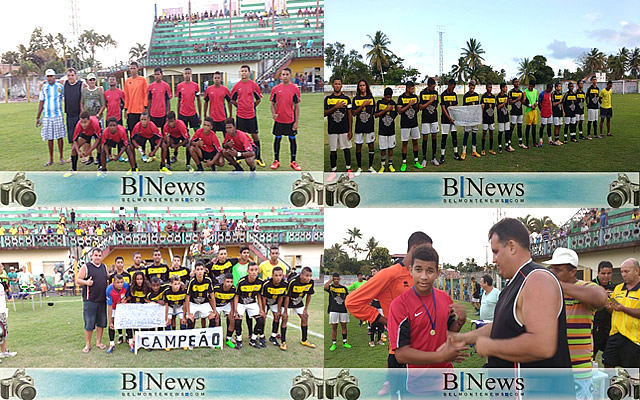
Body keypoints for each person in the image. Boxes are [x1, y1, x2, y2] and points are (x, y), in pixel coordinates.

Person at [457, 218, 571, 368]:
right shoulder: (515, 282)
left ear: (511, 247)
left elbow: (542, 346)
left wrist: (491, 346)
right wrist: (463, 338)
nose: (493, 260)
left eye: (496, 252)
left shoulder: (537, 279)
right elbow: (502, 326)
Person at [345, 232, 434, 396]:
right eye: (426, 250)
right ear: (414, 249)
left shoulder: (422, 275)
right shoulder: (390, 274)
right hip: (402, 353)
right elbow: (353, 301)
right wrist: (385, 320)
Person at [388, 245, 467, 397]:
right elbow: (401, 355)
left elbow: (448, 332)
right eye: (418, 269)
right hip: (417, 387)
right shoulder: (399, 305)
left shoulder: (444, 298)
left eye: (430, 271)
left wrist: (460, 322)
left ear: (437, 273)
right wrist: (442, 356)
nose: (424, 276)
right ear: (410, 270)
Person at [545, 248, 607, 398]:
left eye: (558, 270)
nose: (553, 273)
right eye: (552, 270)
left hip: (578, 368)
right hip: (553, 364)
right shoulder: (549, 290)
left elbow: (600, 298)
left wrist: (558, 285)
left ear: (572, 272)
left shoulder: (586, 288)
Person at [603, 258, 640, 368]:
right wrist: (608, 306)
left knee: (631, 373)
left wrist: (623, 308)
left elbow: (621, 308)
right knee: (607, 365)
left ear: (636, 271)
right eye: (622, 272)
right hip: (614, 335)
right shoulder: (618, 288)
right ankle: (610, 386)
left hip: (633, 339)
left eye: (626, 271)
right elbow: (613, 310)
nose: (623, 275)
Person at [76, 247, 109, 353]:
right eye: (96, 255)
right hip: (90, 300)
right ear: (92, 256)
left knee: (101, 323)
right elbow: (78, 280)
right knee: (89, 323)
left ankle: (98, 342)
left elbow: (108, 279)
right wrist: (86, 283)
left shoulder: (104, 267)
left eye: (100, 256)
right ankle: (88, 345)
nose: (98, 257)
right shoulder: (86, 267)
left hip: (102, 300)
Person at [269, 67, 302, 171]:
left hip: (290, 120)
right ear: (280, 76)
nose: (285, 76)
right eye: (283, 74)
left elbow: (297, 106)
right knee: (277, 140)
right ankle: (276, 160)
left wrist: (296, 122)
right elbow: (272, 104)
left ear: (290, 76)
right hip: (279, 121)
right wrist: (274, 114)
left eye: (287, 74)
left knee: (292, 141)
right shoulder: (275, 89)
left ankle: (293, 161)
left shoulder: (295, 89)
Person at [231, 65, 264, 166]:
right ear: (240, 73)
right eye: (242, 71)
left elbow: (258, 99)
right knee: (239, 137)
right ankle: (238, 157)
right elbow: (232, 100)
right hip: (240, 116)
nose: (243, 73)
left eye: (245, 71)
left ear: (249, 73)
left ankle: (258, 158)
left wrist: (252, 107)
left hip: (251, 116)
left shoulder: (253, 85)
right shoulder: (237, 86)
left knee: (255, 136)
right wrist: (239, 106)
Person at [36, 69, 66, 167]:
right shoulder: (44, 88)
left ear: (55, 76)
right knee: (50, 138)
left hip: (58, 115)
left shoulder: (60, 87)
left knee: (60, 137)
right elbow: (41, 102)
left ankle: (61, 157)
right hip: (47, 116)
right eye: (48, 76)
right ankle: (51, 159)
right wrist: (38, 116)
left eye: (51, 76)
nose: (50, 78)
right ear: (46, 77)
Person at [324, 77, 353, 179]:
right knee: (333, 151)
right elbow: (324, 113)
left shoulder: (346, 99)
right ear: (332, 85)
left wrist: (350, 130)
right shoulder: (328, 99)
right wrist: (335, 107)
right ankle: (333, 171)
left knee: (346, 149)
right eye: (335, 84)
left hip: (344, 129)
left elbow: (350, 114)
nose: (337, 85)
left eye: (339, 84)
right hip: (332, 129)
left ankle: (348, 170)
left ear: (341, 85)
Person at [233, 262, 265, 349]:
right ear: (247, 271)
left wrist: (261, 309)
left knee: (261, 320)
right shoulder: (242, 282)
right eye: (251, 270)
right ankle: (239, 340)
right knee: (238, 320)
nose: (254, 272)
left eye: (255, 270)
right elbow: (236, 296)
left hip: (252, 303)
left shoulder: (260, 282)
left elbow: (259, 296)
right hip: (241, 303)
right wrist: (235, 310)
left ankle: (253, 340)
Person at [284, 266, 315, 348]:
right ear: (301, 275)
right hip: (288, 301)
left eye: (310, 276)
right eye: (307, 276)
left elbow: (309, 295)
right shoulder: (293, 282)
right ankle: (283, 342)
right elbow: (287, 296)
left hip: (298, 302)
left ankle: (304, 340)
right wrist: (285, 311)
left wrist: (306, 309)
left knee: (305, 317)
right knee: (285, 319)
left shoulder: (311, 282)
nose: (308, 278)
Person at [64, 111, 102, 177]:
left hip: (94, 131)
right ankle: (73, 169)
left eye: (85, 122)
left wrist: (89, 151)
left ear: (89, 120)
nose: (83, 124)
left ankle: (100, 167)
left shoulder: (95, 123)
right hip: (86, 133)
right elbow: (75, 140)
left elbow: (98, 139)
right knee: (73, 150)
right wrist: (78, 152)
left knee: (99, 147)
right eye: (81, 122)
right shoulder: (78, 125)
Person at [351, 79, 376, 174]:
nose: (362, 87)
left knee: (371, 145)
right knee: (358, 146)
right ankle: (359, 167)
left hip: (369, 125)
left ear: (366, 87)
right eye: (360, 85)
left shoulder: (371, 98)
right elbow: (353, 113)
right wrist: (362, 106)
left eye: (364, 85)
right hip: (359, 126)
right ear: (358, 87)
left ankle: (370, 166)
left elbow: (372, 112)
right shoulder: (356, 99)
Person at [397, 81, 422, 171]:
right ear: (407, 89)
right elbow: (399, 111)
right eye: (412, 89)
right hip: (405, 125)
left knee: (415, 142)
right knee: (405, 143)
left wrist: (415, 107)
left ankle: (416, 161)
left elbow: (417, 109)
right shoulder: (401, 98)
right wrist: (409, 105)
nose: (413, 90)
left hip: (414, 124)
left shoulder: (415, 97)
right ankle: (404, 163)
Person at [261, 266, 288, 349]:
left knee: (277, 316)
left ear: (282, 275)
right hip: (265, 302)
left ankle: (273, 336)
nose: (278, 277)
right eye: (276, 275)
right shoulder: (266, 284)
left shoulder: (284, 284)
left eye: (280, 275)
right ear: (272, 275)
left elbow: (281, 297)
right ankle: (262, 336)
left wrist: (279, 310)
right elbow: (263, 298)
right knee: (262, 317)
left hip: (275, 302)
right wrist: (263, 310)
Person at [185, 261, 216, 330]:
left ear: (204, 270)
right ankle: (190, 337)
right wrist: (188, 312)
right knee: (190, 320)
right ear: (195, 271)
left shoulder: (208, 280)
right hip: (193, 303)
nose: (200, 272)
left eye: (201, 269)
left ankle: (209, 337)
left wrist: (214, 310)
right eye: (198, 269)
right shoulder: (192, 281)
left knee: (212, 318)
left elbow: (212, 296)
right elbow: (187, 298)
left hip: (204, 303)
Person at [105, 274, 132, 354]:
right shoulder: (109, 289)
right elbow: (109, 306)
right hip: (113, 307)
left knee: (128, 322)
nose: (120, 284)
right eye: (118, 282)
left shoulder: (126, 286)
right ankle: (112, 344)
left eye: (121, 282)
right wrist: (110, 321)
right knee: (112, 325)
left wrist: (125, 299)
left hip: (123, 306)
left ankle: (131, 342)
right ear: (114, 283)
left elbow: (129, 297)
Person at [325, 272, 351, 351]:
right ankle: (334, 343)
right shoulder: (330, 287)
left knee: (344, 326)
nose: (336, 280)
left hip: (343, 310)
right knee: (334, 327)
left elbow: (347, 298)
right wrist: (330, 280)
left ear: (339, 279)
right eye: (334, 279)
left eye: (337, 279)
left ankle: (345, 342)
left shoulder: (343, 288)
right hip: (333, 310)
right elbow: (325, 287)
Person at [176, 67, 202, 145]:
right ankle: (176, 153)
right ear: (183, 75)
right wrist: (178, 115)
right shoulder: (180, 86)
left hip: (192, 113)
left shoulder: (196, 86)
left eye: (189, 73)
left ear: (191, 74)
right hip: (182, 114)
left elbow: (198, 101)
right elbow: (178, 101)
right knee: (181, 134)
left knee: (198, 133)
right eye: (186, 73)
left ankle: (201, 149)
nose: (187, 75)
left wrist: (200, 115)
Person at [418, 77, 440, 167]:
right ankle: (424, 159)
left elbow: (436, 104)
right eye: (433, 87)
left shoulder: (435, 93)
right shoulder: (422, 93)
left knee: (434, 136)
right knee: (425, 137)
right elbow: (420, 107)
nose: (434, 89)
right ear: (428, 86)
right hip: (425, 119)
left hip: (434, 118)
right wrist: (429, 102)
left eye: (434, 87)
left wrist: (432, 106)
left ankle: (433, 158)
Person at [375, 87, 397, 173]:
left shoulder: (393, 103)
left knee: (391, 148)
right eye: (387, 97)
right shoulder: (380, 103)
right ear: (384, 96)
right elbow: (376, 115)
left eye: (390, 97)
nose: (389, 99)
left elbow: (394, 115)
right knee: (383, 148)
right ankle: (383, 166)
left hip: (391, 129)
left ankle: (390, 165)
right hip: (382, 130)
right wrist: (385, 110)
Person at [439, 79, 462, 163]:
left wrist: (455, 117)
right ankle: (442, 156)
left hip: (453, 120)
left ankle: (456, 154)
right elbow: (443, 108)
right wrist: (449, 118)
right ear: (448, 85)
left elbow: (455, 105)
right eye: (452, 87)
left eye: (454, 88)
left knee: (454, 137)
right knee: (444, 138)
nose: (453, 89)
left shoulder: (454, 94)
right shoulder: (443, 95)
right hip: (445, 119)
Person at [212, 273, 237, 348]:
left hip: (226, 305)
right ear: (223, 281)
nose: (229, 284)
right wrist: (214, 310)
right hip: (216, 305)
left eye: (231, 282)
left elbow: (232, 300)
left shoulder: (233, 289)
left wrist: (232, 311)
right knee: (216, 319)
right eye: (227, 282)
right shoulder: (216, 288)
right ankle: (218, 339)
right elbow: (211, 299)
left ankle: (228, 339)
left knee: (232, 319)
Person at [203, 71, 232, 135]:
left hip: (223, 117)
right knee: (212, 136)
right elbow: (206, 102)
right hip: (212, 118)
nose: (217, 79)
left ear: (221, 79)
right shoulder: (209, 89)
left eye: (218, 78)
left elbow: (229, 102)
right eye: (215, 78)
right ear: (213, 79)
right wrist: (205, 114)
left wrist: (230, 114)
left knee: (227, 136)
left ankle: (226, 145)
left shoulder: (225, 89)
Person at [123, 61, 148, 135]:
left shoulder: (142, 80)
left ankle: (141, 146)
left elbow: (145, 93)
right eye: (131, 68)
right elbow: (126, 96)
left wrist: (145, 106)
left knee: (141, 131)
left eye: (134, 68)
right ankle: (132, 145)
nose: (132, 70)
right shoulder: (127, 81)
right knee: (132, 131)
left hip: (140, 110)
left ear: (137, 69)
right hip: (131, 111)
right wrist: (125, 109)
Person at [62, 68, 84, 150]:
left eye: (72, 75)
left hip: (79, 114)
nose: (70, 77)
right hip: (69, 114)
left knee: (81, 135)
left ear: (76, 76)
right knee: (71, 136)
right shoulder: (65, 83)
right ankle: (73, 154)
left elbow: (91, 88)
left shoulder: (81, 84)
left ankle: (84, 155)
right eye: (68, 75)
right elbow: (55, 81)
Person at [148, 67, 172, 136]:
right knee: (153, 134)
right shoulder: (151, 86)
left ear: (162, 75)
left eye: (158, 74)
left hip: (163, 114)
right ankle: (154, 146)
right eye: (155, 75)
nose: (157, 76)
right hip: (153, 114)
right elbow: (149, 100)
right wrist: (148, 113)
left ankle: (164, 146)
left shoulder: (166, 86)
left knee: (164, 133)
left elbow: (168, 101)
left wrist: (168, 113)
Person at [461, 80, 481, 159]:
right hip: (468, 119)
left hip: (475, 119)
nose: (472, 89)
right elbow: (464, 108)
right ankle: (464, 152)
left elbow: (477, 107)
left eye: (473, 88)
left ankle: (474, 151)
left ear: (474, 87)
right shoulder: (465, 96)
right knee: (466, 135)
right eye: (471, 88)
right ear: (468, 87)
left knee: (474, 135)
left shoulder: (476, 95)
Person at [508, 78, 525, 148]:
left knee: (519, 127)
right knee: (512, 127)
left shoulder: (521, 92)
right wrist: (517, 99)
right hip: (514, 112)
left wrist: (523, 98)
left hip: (520, 112)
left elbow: (523, 102)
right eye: (516, 82)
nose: (517, 83)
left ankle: (520, 143)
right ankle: (508, 142)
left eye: (518, 82)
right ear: (513, 83)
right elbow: (509, 102)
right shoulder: (511, 92)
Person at [480, 83, 496, 155]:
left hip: (491, 118)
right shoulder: (483, 96)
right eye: (489, 87)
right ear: (486, 88)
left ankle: (491, 149)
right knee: (484, 133)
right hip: (485, 118)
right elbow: (481, 108)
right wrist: (482, 118)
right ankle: (483, 149)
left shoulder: (493, 97)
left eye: (491, 87)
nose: (490, 88)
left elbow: (493, 108)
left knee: (491, 133)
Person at [495, 83, 512, 153]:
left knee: (507, 132)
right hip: (501, 117)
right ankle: (499, 147)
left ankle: (507, 145)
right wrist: (504, 103)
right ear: (502, 88)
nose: (506, 89)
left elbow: (508, 104)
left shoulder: (506, 96)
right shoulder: (498, 97)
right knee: (501, 132)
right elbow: (498, 107)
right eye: (505, 87)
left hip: (506, 117)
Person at [523, 80, 539, 148]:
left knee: (534, 127)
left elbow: (537, 100)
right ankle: (527, 143)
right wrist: (530, 105)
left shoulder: (535, 91)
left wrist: (536, 104)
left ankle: (534, 142)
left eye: (531, 86)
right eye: (529, 86)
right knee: (528, 127)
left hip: (535, 111)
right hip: (529, 111)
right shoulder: (525, 92)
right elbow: (523, 101)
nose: (530, 87)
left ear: (534, 86)